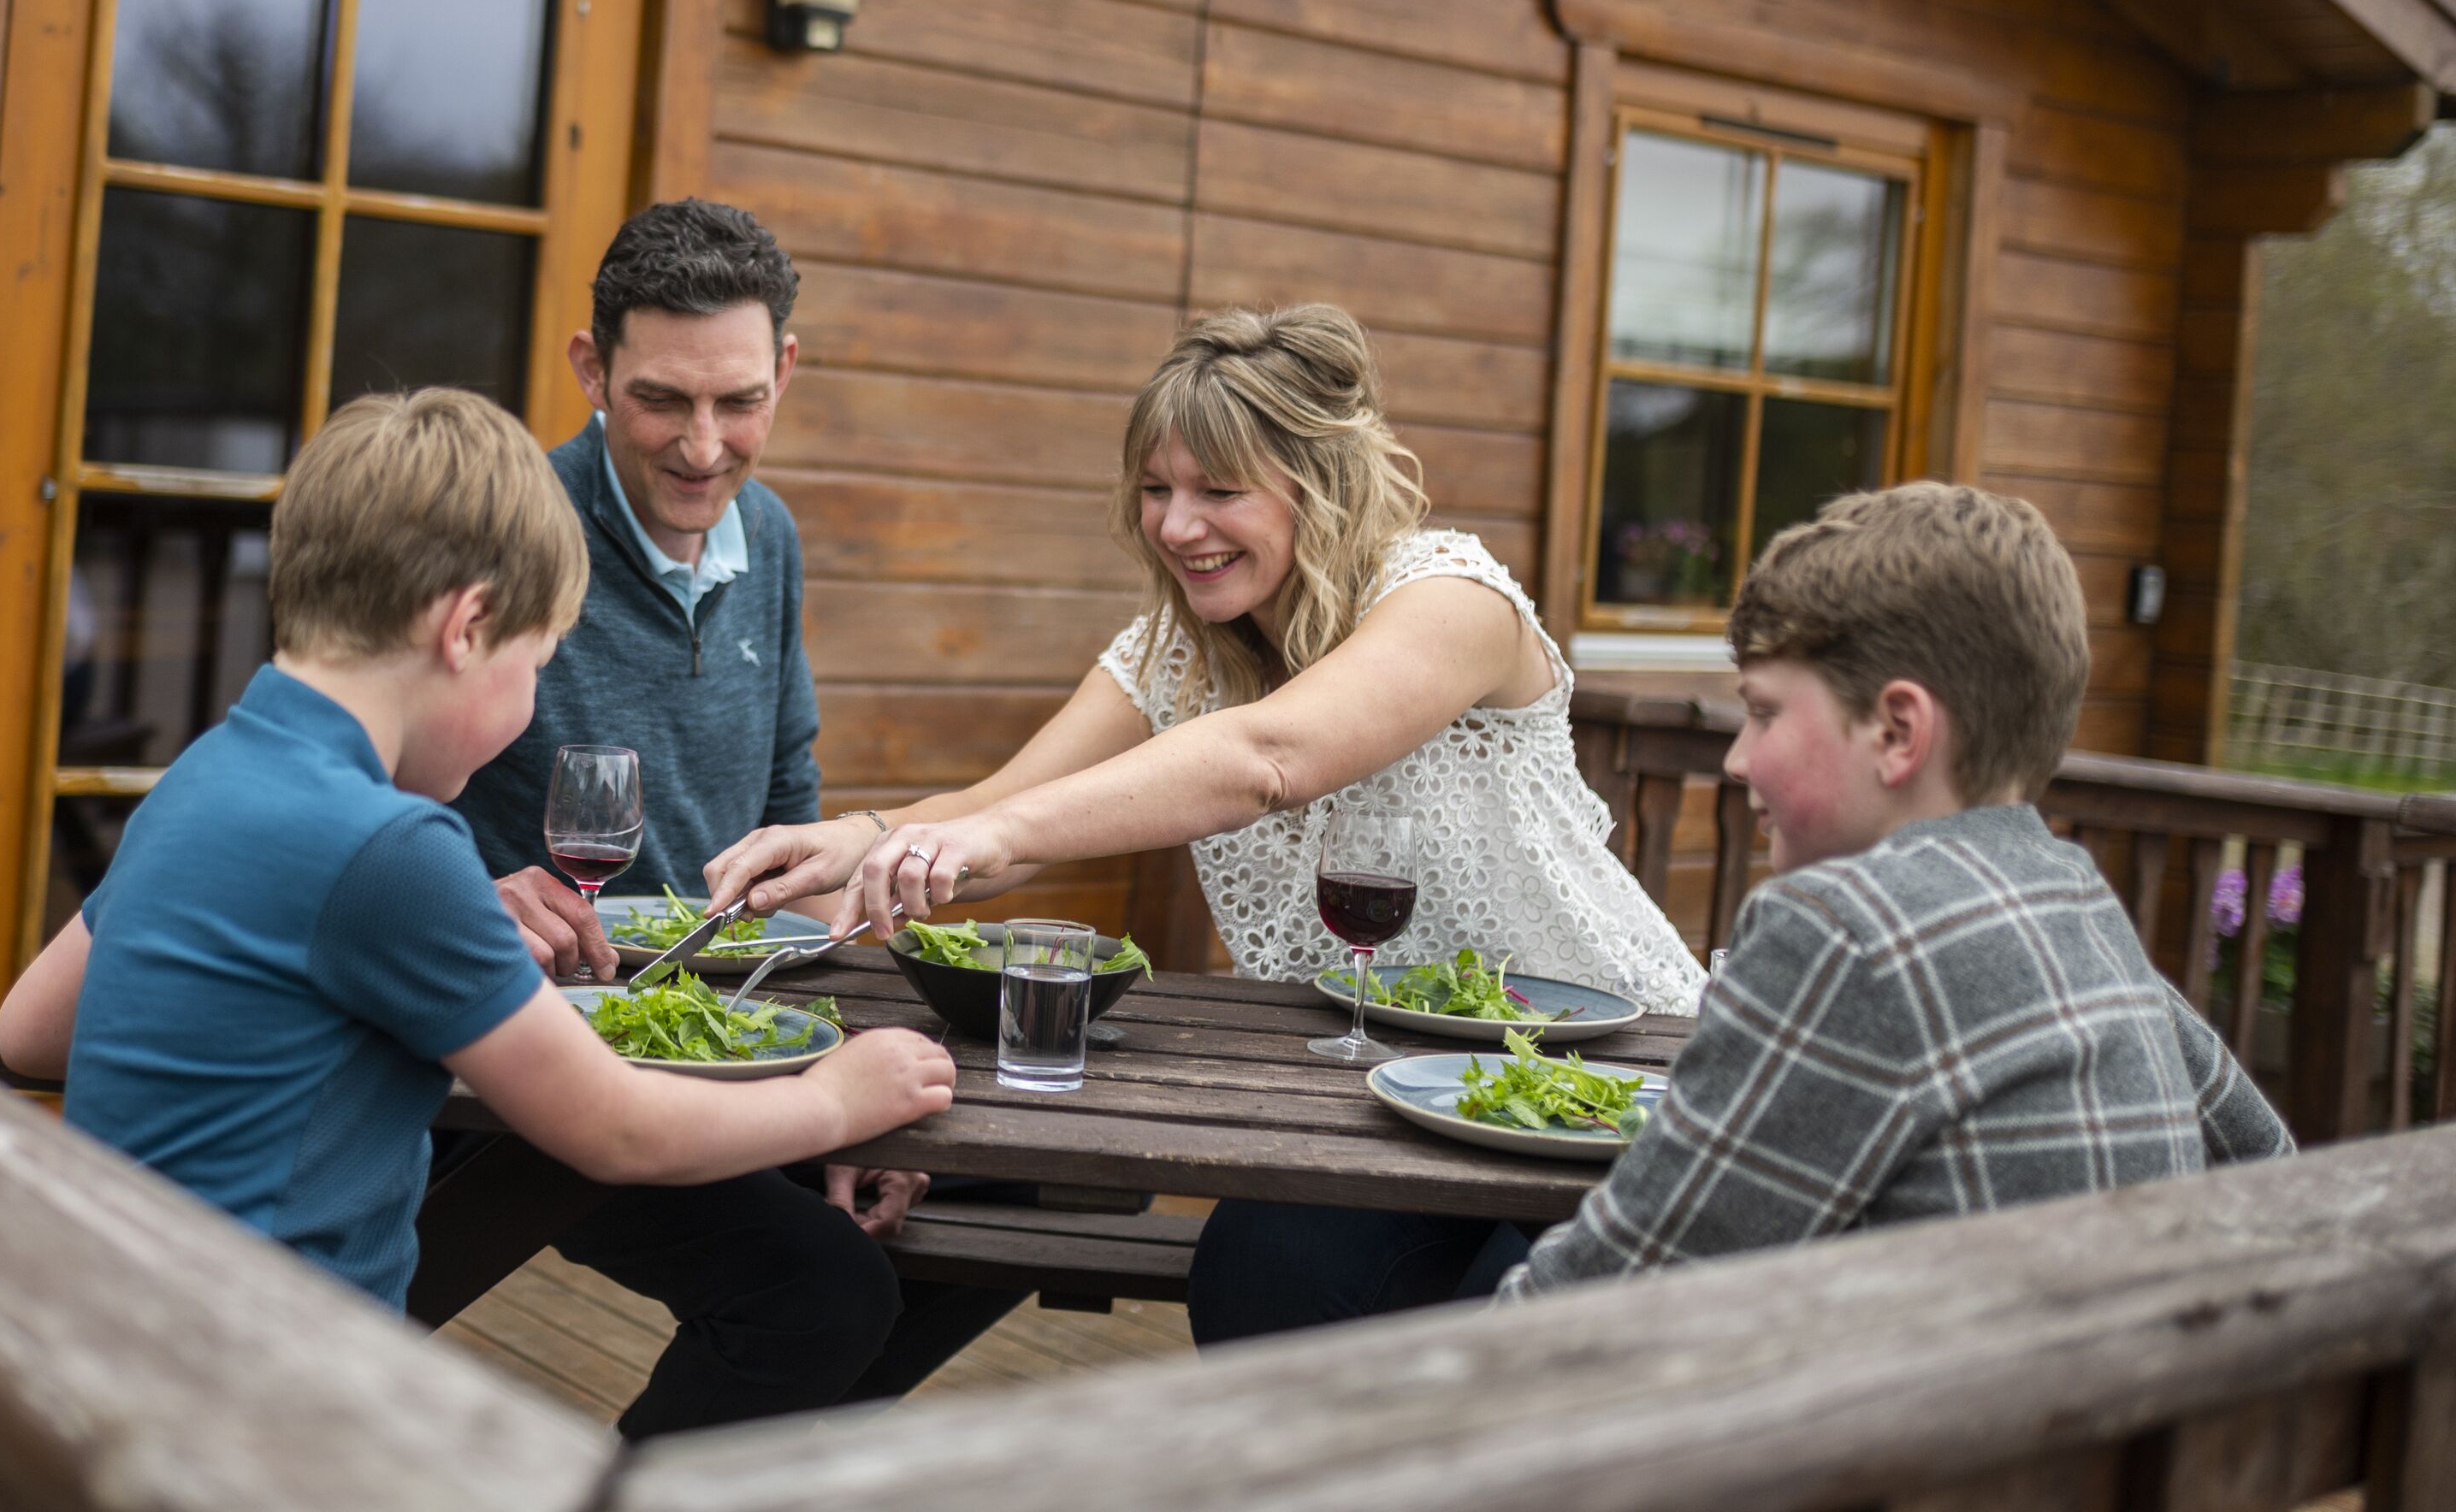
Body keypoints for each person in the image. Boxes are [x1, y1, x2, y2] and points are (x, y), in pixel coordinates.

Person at [702, 304, 1708, 1340]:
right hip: (1397, 1095)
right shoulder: (1174, 652)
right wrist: (861, 834)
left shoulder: (1450, 598)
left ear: (1322, 484)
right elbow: (996, 808)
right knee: (1258, 1279)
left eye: (1219, 490)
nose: (1178, 526)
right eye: (1156, 489)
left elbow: (1270, 757)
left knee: (1507, 1339)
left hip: (1614, 1080)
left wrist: (998, 834)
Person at [0, 387, 953, 1318]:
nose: (532, 696)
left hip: (120, 1313)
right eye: (534, 665)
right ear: (468, 627)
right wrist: (836, 1100)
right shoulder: (394, 847)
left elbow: (28, 1030)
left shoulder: (212, 769)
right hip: (281, 1367)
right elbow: (619, 1127)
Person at [445, 198, 1021, 1438]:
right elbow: (366, 795)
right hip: (543, 1059)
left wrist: (835, 1085)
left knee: (1033, 1189)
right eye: (662, 399)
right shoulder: (501, 538)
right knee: (818, 1292)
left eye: (739, 400)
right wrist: (469, 884)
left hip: (734, 1029)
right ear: (591, 368)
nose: (705, 447)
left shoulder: (770, 534)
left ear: (786, 371)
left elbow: (790, 817)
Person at [1494, 481, 2291, 1297]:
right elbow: (2271, 1167)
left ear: (1898, 732)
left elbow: (1615, 1288)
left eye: (1764, 713)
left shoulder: (1849, 930)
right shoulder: (2074, 905)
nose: (1739, 760)